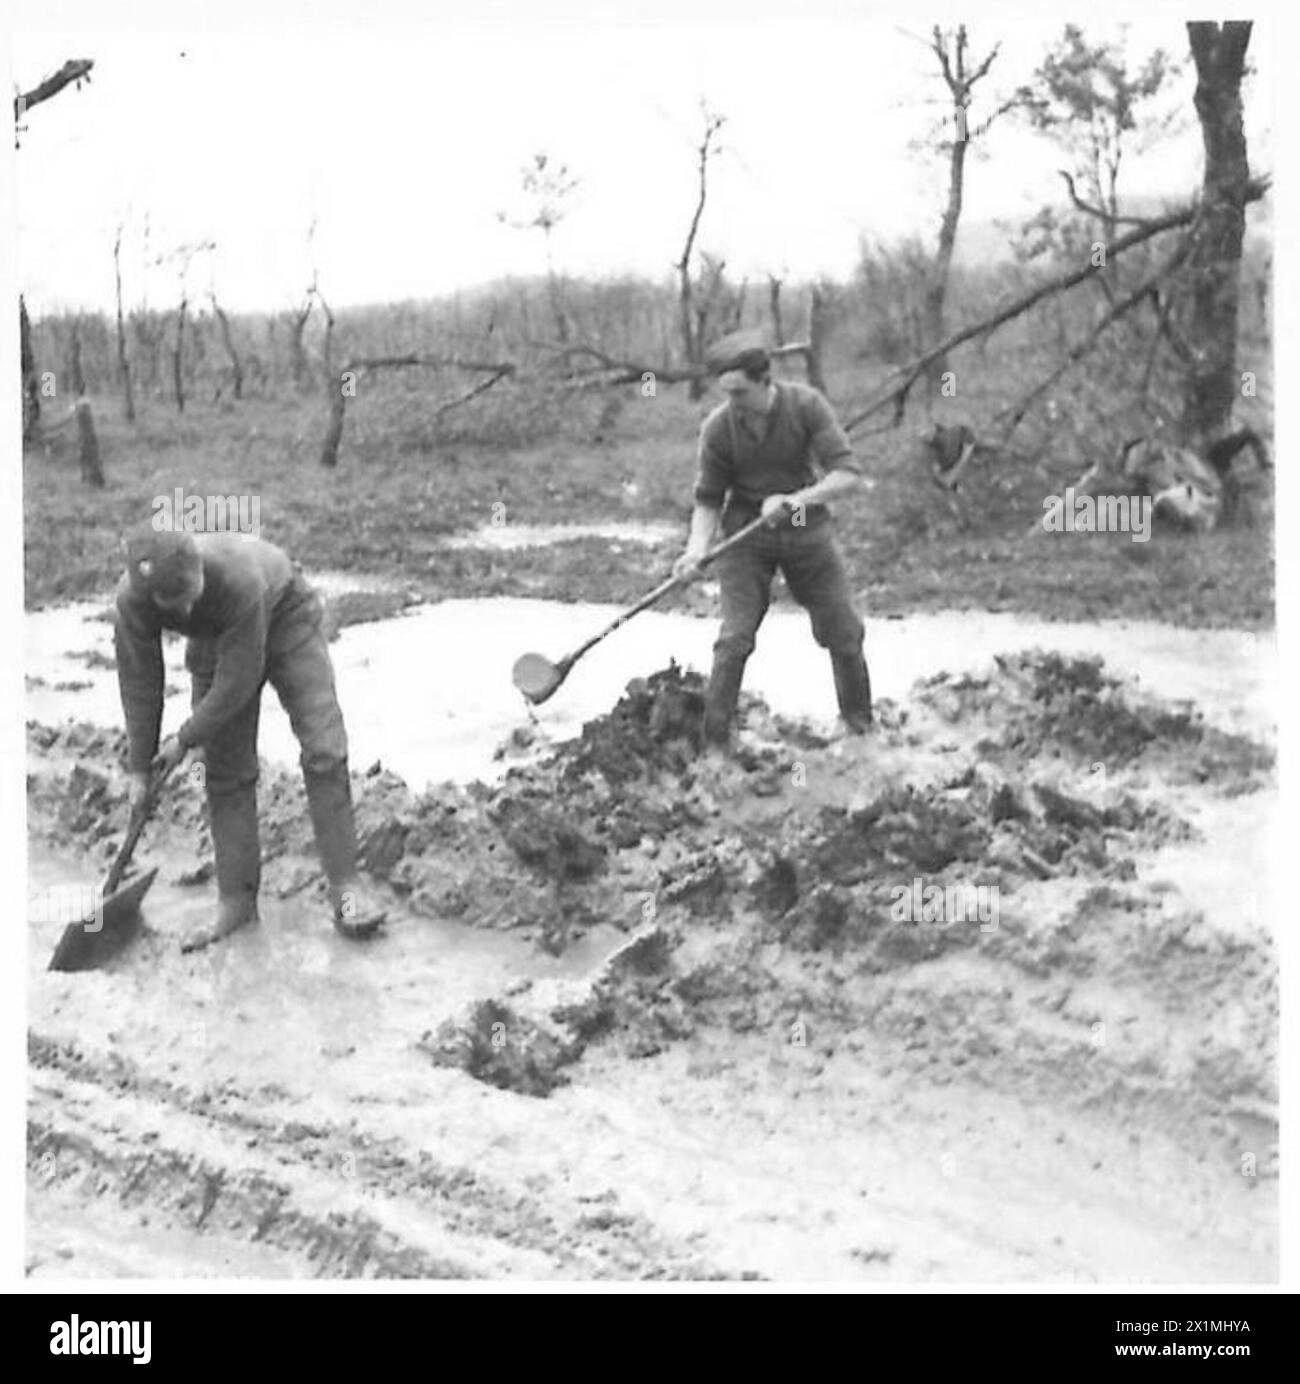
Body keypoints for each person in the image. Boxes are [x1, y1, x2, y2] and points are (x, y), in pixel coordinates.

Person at [113, 526, 386, 950]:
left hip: (283, 615)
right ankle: (236, 903)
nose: (184, 611)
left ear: (200, 568)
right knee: (225, 771)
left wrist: (185, 738)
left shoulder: (239, 579)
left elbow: (238, 681)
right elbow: (140, 679)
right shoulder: (132, 600)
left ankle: (346, 891)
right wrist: (139, 767)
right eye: (171, 605)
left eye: (188, 595)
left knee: (324, 747)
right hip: (214, 638)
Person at [673, 343, 873, 747]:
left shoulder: (806, 406)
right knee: (734, 638)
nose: (734, 403)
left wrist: (796, 501)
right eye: (727, 394)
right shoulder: (718, 428)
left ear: (767, 383)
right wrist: (695, 549)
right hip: (747, 536)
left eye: (741, 393)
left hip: (805, 527)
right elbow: (709, 499)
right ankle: (715, 743)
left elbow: (848, 475)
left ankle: (859, 728)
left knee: (844, 631)